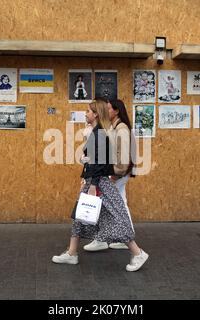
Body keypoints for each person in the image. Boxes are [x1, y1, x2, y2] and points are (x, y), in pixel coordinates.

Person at [52, 99, 149, 272]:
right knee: (80, 216)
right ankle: (72, 252)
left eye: (88, 111)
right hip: (94, 180)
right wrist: (86, 162)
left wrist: (93, 184)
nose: (86, 114)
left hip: (98, 182)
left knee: (115, 217)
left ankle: (137, 252)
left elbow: (100, 163)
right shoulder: (97, 132)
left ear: (96, 114)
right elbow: (96, 159)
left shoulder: (100, 134)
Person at [83, 99, 135, 252]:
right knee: (114, 204)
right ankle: (105, 238)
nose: (106, 111)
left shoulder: (122, 128)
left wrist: (116, 174)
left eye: (109, 109)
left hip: (117, 173)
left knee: (118, 205)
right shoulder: (113, 127)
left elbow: (123, 156)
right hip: (112, 171)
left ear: (117, 111)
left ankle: (125, 238)